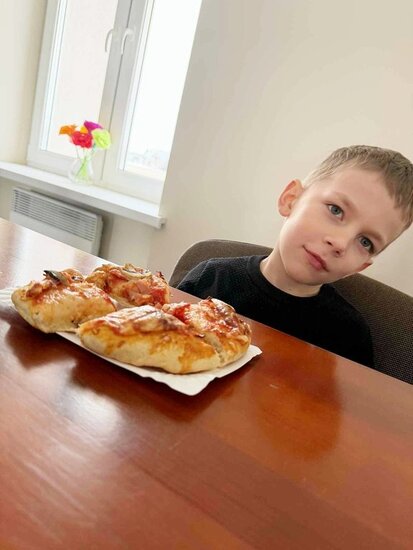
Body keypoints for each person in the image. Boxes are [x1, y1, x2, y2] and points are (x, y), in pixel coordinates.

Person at [177, 145, 413, 368]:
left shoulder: (350, 335)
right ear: (290, 199)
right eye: (336, 210)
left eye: (365, 242)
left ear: (360, 266)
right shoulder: (211, 278)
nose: (340, 243)